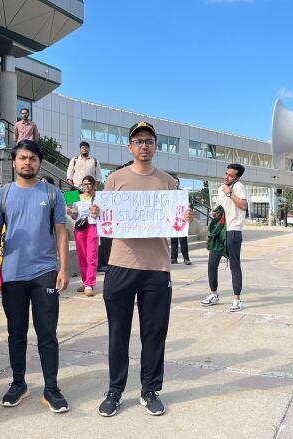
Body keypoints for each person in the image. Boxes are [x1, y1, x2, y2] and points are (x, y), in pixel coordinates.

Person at [90, 122, 191, 418]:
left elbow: (174, 222)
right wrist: (97, 212)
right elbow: (104, 216)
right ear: (129, 147)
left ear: (156, 145)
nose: (143, 146)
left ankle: (149, 390)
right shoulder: (116, 179)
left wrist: (182, 216)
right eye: (138, 141)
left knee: (154, 332)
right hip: (121, 264)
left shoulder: (168, 182)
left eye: (148, 141)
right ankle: (115, 390)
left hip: (157, 268)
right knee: (118, 332)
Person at [0, 139, 70, 413]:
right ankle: (18, 383)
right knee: (16, 333)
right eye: (22, 158)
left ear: (39, 163)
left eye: (32, 158)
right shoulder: (1, 195)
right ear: (14, 162)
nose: (27, 162)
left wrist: (62, 268)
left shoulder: (52, 193)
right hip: (11, 274)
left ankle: (51, 388)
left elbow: (61, 232)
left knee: (47, 332)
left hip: (44, 272)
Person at [201, 164, 247, 312]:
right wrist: (215, 213)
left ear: (237, 177)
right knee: (211, 264)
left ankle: (237, 299)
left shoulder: (238, 186)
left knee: (234, 265)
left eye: (231, 175)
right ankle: (214, 294)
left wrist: (230, 193)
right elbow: (219, 207)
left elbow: (243, 205)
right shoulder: (221, 189)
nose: (226, 177)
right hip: (220, 230)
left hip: (233, 230)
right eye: (226, 173)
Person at [68, 175, 99, 296]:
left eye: (89, 184)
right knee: (82, 256)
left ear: (93, 185)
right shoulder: (75, 197)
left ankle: (90, 284)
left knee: (91, 256)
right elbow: (75, 216)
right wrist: (71, 213)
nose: (86, 186)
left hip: (92, 227)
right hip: (79, 228)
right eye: (84, 184)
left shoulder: (97, 198)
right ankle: (86, 281)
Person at [170, 177, 191, 265]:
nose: (176, 184)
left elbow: (190, 204)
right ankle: (173, 258)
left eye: (177, 182)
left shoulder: (183, 193)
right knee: (173, 240)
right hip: (173, 219)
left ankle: (186, 258)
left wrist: (189, 209)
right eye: (174, 182)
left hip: (182, 219)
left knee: (183, 240)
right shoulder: (169, 193)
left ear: (179, 183)